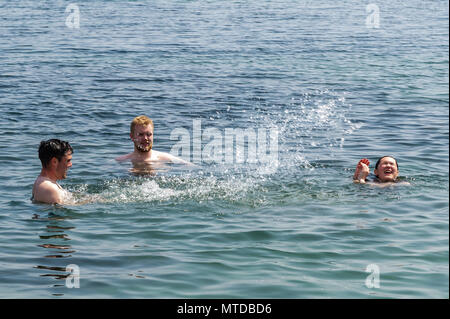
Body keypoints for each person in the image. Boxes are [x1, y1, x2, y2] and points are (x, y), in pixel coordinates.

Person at [115, 115, 191, 167]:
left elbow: (190, 166)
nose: (145, 138)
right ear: (132, 137)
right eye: (141, 134)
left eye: (149, 134)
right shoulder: (121, 161)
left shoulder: (166, 159)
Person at [32, 139, 74, 204]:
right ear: (54, 161)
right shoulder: (51, 190)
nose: (70, 164)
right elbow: (60, 213)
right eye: (68, 161)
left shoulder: (41, 182)